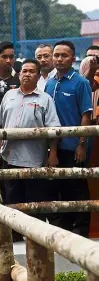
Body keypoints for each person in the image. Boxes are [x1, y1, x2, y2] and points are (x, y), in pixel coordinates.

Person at [0, 59, 60, 218]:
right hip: (9, 157)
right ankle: (14, 238)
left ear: (38, 76)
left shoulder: (45, 99)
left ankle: (34, 239)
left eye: (31, 71)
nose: (27, 74)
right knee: (12, 200)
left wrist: (53, 154)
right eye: (24, 71)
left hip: (35, 159)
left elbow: (54, 128)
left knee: (35, 201)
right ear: (19, 74)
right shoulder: (9, 95)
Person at [45, 40, 93, 237]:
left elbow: (86, 115)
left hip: (74, 146)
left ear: (73, 59)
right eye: (56, 55)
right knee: (59, 187)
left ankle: (81, 230)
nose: (59, 59)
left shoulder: (80, 82)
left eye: (63, 55)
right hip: (54, 147)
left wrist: (82, 144)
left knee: (78, 187)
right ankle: (65, 230)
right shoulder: (50, 82)